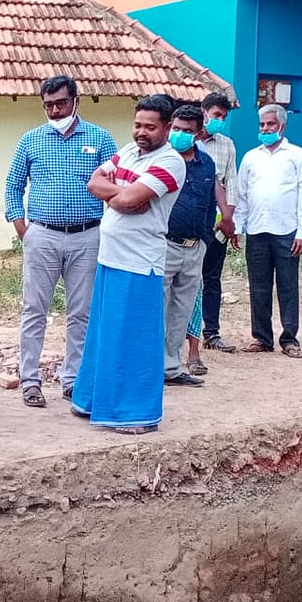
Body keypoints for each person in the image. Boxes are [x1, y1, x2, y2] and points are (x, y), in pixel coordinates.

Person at [70, 95, 185, 434]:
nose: (141, 132)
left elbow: (130, 197)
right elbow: (94, 183)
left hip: (139, 262)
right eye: (137, 125)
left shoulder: (171, 162)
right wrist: (118, 195)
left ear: (167, 127)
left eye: (150, 127)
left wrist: (119, 193)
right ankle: (92, 400)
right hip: (110, 256)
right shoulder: (129, 151)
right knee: (104, 332)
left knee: (134, 338)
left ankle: (135, 413)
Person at [4, 75, 116, 408]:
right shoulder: (30, 140)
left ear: (76, 101)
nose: (55, 111)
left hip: (87, 236)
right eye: (48, 105)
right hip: (42, 235)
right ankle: (30, 380)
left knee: (81, 313)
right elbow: (13, 186)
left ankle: (73, 380)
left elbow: (117, 186)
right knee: (34, 310)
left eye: (61, 103)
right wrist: (22, 228)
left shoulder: (100, 139)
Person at [233, 104, 302, 358]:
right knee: (258, 287)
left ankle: (289, 339)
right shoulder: (250, 157)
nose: (265, 129)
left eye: (270, 124)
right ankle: (262, 338)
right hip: (257, 230)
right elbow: (242, 195)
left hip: (287, 231)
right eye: (262, 124)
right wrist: (237, 226)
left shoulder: (297, 155)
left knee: (288, 286)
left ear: (282, 126)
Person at [162, 104, 217, 388]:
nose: (180, 134)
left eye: (186, 131)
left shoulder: (206, 163)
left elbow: (210, 203)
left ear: (197, 134)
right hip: (165, 245)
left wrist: (205, 241)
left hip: (195, 248)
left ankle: (171, 367)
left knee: (182, 310)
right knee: (158, 308)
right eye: (176, 129)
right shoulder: (162, 159)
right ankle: (151, 367)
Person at [198, 92, 240, 353]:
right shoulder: (186, 140)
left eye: (223, 117)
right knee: (184, 279)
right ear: (203, 111)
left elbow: (231, 183)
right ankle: (179, 332)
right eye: (216, 115)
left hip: (217, 224)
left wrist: (228, 220)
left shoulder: (227, 145)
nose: (219, 121)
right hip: (189, 223)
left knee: (212, 278)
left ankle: (211, 332)